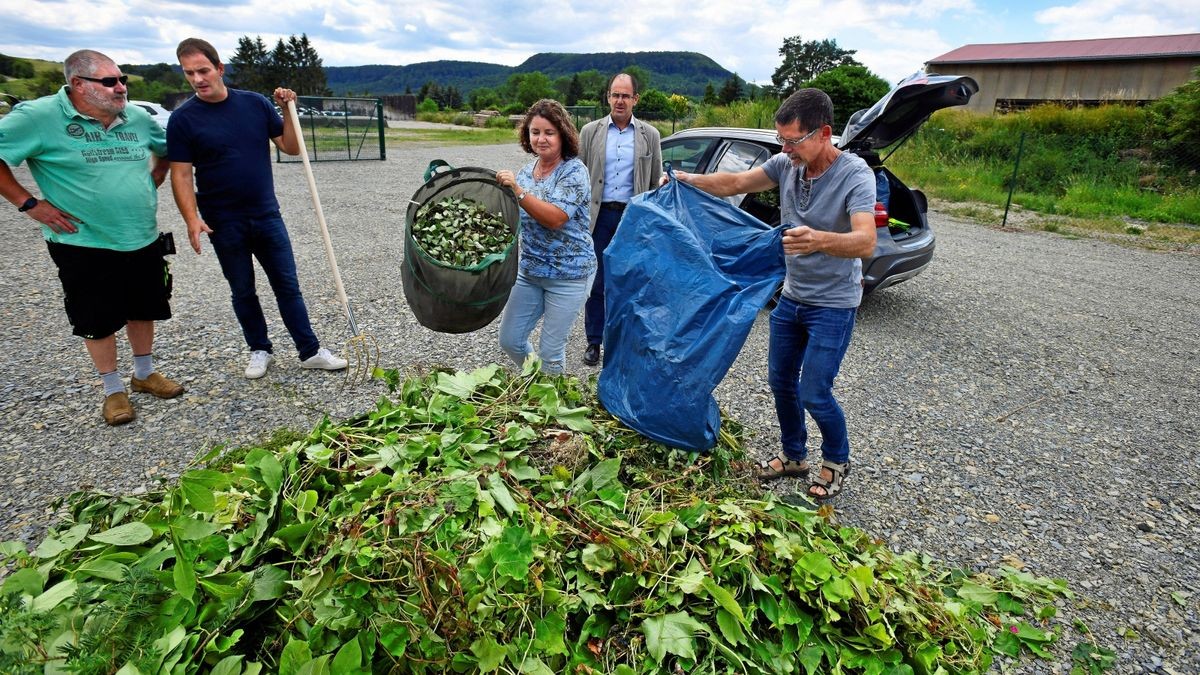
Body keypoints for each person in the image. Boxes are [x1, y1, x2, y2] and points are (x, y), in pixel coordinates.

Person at [672, 88, 877, 501]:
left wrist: (818, 239)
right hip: (793, 297)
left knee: (814, 391)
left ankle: (837, 459)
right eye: (781, 140)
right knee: (780, 380)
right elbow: (735, 181)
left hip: (833, 304)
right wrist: (689, 180)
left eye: (793, 141)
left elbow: (866, 241)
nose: (785, 149)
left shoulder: (855, 175)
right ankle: (794, 455)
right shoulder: (786, 165)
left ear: (824, 133)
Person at [0, 49, 183, 426]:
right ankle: (113, 390)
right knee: (96, 317)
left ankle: (144, 374)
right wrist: (29, 203)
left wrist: (157, 175)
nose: (120, 88)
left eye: (122, 80)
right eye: (110, 81)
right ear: (78, 85)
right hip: (82, 242)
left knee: (143, 305)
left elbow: (168, 150)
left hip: (141, 235)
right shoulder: (37, 117)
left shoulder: (134, 117)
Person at [167, 38, 347, 380]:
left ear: (219, 69)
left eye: (203, 70)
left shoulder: (254, 104)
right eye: (189, 73)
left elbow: (291, 147)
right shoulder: (183, 119)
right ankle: (259, 349)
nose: (197, 79)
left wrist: (286, 110)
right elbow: (180, 173)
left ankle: (309, 351)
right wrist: (192, 218)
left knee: (287, 285)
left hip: (266, 214)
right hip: (222, 220)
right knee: (243, 290)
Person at [494, 99, 596, 375]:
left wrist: (518, 192)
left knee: (551, 351)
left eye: (549, 132)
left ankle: (552, 407)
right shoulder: (527, 172)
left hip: (570, 274)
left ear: (563, 134)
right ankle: (538, 384)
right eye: (535, 132)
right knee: (511, 340)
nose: (541, 139)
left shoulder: (575, 171)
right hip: (531, 270)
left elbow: (555, 218)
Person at [577, 73, 663, 367]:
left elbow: (653, 183)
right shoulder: (590, 131)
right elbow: (579, 175)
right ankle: (594, 341)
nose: (620, 101)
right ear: (608, 97)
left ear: (635, 99)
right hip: (598, 217)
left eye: (626, 96)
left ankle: (623, 342)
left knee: (629, 282)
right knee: (597, 281)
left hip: (631, 219)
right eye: (615, 95)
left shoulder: (650, 135)